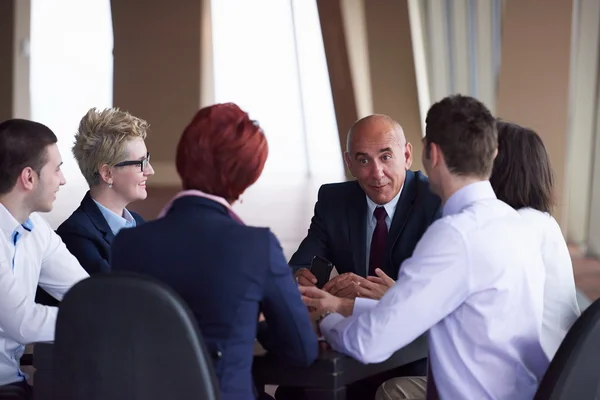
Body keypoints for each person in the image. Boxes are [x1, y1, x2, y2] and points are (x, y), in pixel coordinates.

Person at [300, 95, 550, 400]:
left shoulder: (454, 235)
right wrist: (340, 305)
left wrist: (327, 318)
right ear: (494, 152)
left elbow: (368, 342)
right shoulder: (516, 224)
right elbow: (422, 310)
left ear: (429, 154)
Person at [111, 103, 318, 400]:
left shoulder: (127, 244)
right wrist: (258, 321)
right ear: (249, 175)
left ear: (183, 159)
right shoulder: (257, 247)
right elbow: (302, 351)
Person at [290, 115, 441, 301]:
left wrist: (393, 295)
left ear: (407, 156)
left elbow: (444, 291)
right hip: (350, 322)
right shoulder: (333, 201)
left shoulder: (437, 202)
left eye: (386, 157)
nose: (377, 173)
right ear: (349, 163)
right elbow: (298, 266)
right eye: (363, 161)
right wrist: (299, 279)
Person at [0, 119, 89, 399]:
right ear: (29, 177)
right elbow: (23, 322)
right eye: (58, 168)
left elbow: (85, 292)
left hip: (13, 384)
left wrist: (115, 309)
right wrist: (97, 319)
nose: (63, 179)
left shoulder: (37, 229)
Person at [490, 120, 580, 358]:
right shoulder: (541, 222)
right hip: (552, 369)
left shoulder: (516, 229)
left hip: (522, 383)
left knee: (394, 390)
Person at [56, 108, 153, 275]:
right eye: (140, 163)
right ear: (108, 174)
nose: (150, 170)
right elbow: (116, 293)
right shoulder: (76, 234)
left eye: (147, 160)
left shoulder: (139, 223)